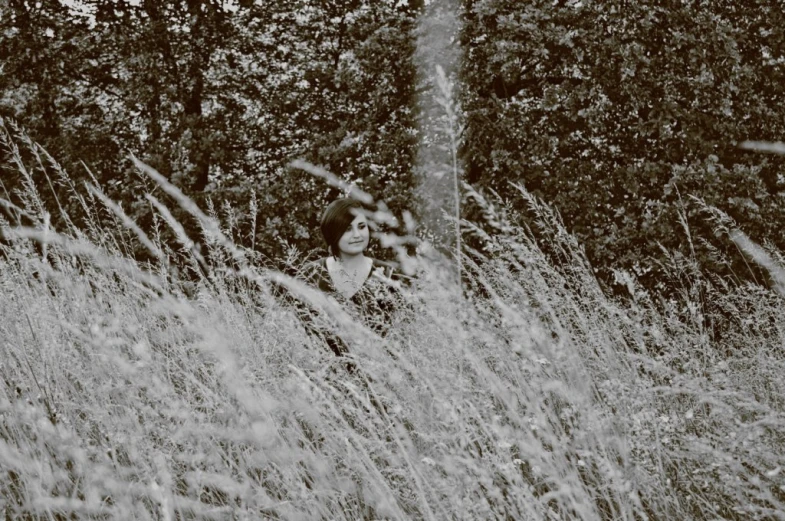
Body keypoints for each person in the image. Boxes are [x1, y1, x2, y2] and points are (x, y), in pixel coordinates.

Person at [289, 197, 412, 359]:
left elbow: (404, 338)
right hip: (322, 377)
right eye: (347, 229)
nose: (357, 235)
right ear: (333, 234)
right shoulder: (311, 275)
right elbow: (296, 334)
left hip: (381, 375)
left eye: (361, 227)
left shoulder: (387, 274)